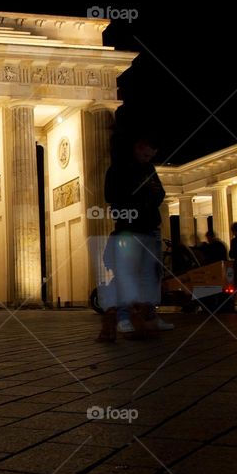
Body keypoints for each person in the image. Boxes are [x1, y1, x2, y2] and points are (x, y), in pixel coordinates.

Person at [103, 127, 173, 336]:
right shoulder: (117, 169)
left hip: (150, 228)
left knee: (152, 275)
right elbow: (111, 196)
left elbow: (160, 193)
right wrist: (141, 197)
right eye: (146, 154)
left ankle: (150, 316)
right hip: (129, 229)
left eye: (151, 155)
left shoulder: (149, 168)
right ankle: (123, 318)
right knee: (128, 275)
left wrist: (147, 197)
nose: (148, 158)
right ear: (138, 147)